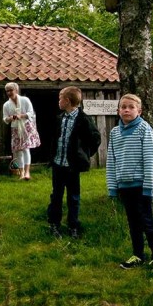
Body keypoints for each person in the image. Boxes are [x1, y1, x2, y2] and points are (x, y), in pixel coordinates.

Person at [106, 94, 153, 274]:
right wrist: (112, 187)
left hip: (141, 186)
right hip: (124, 187)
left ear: (139, 111)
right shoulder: (114, 133)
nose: (126, 110)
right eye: (123, 107)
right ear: (118, 110)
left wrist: (148, 187)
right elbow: (112, 161)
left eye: (131, 107)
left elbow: (150, 159)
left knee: (147, 222)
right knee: (133, 223)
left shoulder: (144, 129)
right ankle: (138, 254)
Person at [47, 86, 101, 239]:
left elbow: (95, 139)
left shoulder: (83, 119)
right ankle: (54, 224)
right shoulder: (59, 118)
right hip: (58, 164)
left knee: (73, 197)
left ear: (67, 101)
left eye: (60, 98)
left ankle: (73, 226)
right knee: (56, 195)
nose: (58, 101)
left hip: (73, 167)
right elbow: (54, 138)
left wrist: (84, 154)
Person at [3, 82, 41, 180]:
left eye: (11, 90)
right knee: (18, 151)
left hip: (26, 126)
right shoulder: (6, 105)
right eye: (7, 91)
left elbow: (31, 113)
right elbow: (5, 119)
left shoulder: (25, 100)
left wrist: (21, 116)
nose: (9, 92)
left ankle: (27, 172)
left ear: (16, 90)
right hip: (15, 128)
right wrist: (11, 118)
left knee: (26, 148)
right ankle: (21, 173)